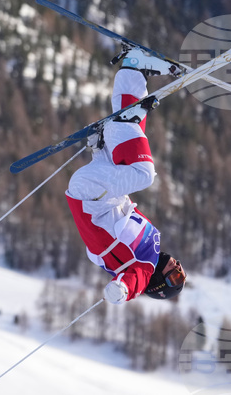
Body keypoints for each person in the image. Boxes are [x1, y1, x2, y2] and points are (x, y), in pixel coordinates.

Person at [64, 47, 186, 304]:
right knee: (128, 157)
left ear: (159, 284)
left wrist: (121, 290)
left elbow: (133, 283)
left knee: (144, 175)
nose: (177, 266)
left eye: (175, 277)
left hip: (88, 196)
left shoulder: (143, 269)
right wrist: (99, 151)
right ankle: (132, 70)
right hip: (95, 190)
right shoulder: (147, 246)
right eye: (181, 270)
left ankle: (123, 122)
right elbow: (117, 198)